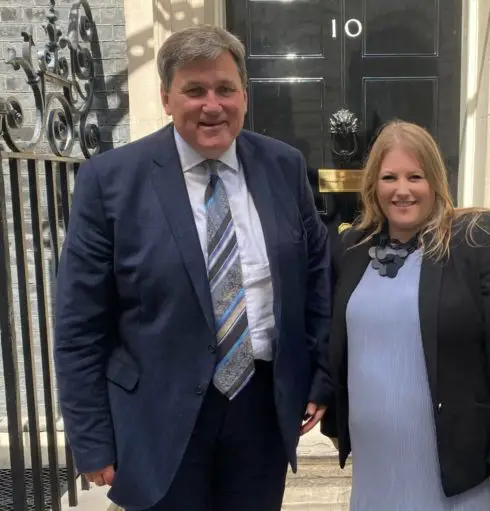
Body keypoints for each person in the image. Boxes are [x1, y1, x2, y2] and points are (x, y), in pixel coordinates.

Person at [54, 25, 332, 511]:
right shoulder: (110, 181)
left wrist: (319, 376)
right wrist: (92, 438)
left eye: (226, 89)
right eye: (194, 90)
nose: (212, 105)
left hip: (261, 409)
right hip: (157, 415)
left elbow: (314, 281)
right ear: (166, 98)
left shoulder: (284, 167)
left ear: (245, 95)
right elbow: (80, 325)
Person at [321, 120, 490, 510]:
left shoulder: (476, 240)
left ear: (435, 181)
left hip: (457, 461)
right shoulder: (352, 247)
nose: (402, 190)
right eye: (389, 177)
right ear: (373, 184)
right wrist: (333, 418)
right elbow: (338, 340)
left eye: (415, 176)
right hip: (378, 460)